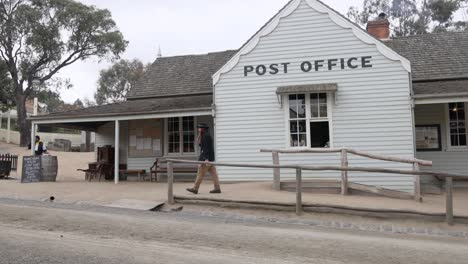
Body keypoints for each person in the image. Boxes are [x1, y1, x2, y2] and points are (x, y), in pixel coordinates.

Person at [186, 123, 221, 194]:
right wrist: (199, 138)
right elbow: (202, 145)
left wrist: (205, 159)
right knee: (214, 174)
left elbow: (205, 149)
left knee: (200, 174)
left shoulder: (205, 136)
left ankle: (195, 188)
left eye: (199, 128)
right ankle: (217, 188)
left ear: (202, 129)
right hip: (210, 158)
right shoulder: (207, 135)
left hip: (205, 159)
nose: (198, 129)